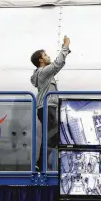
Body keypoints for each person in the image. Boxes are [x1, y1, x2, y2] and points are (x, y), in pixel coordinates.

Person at [30, 35, 71, 171]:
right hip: (47, 107)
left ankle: (41, 163)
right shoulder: (42, 72)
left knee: (52, 134)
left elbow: (58, 66)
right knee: (53, 134)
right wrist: (65, 47)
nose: (48, 56)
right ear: (41, 60)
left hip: (47, 107)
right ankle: (41, 162)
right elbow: (56, 64)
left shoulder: (42, 74)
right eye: (45, 55)